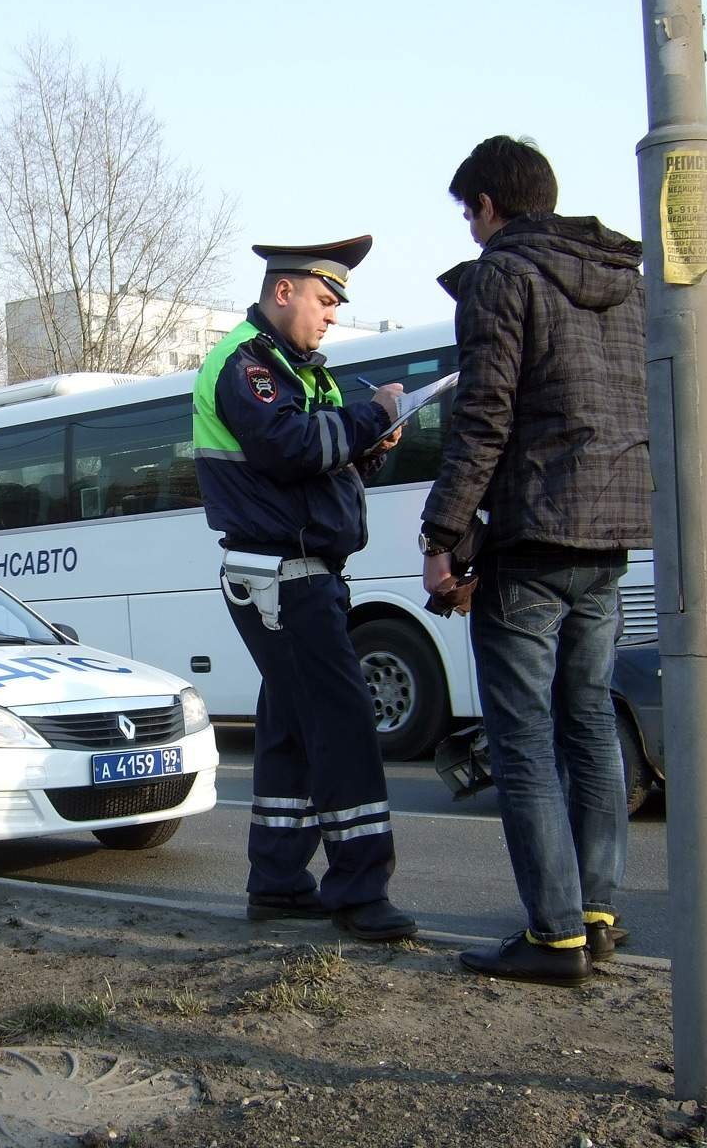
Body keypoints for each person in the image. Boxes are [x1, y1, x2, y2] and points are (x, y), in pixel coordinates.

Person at [420, 136, 651, 986]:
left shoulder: (500, 278)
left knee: (521, 741)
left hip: (533, 539)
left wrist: (442, 536)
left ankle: (552, 935)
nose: (470, 233)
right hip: (611, 536)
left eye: (468, 214)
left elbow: (483, 417)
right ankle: (596, 912)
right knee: (588, 725)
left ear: (488, 206)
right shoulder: (623, 283)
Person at [192, 236, 416, 942]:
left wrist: (368, 449)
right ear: (283, 291)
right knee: (344, 726)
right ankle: (358, 890)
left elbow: (320, 469)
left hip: (295, 575)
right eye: (324, 302)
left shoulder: (299, 370)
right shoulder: (247, 365)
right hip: (283, 579)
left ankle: (281, 883)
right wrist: (374, 416)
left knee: (290, 730)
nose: (331, 319)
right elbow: (290, 450)